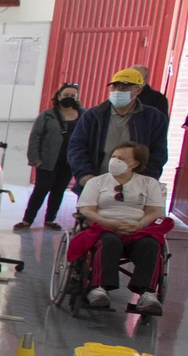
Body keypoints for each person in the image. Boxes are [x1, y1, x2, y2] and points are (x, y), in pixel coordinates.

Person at [73, 140, 169, 314]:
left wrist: (139, 224)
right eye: (114, 156)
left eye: (121, 158)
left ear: (135, 163)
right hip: (103, 226)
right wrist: (109, 223)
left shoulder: (148, 183)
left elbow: (155, 211)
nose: (115, 161)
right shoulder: (97, 182)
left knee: (151, 244)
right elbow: (86, 210)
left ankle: (147, 293)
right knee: (109, 241)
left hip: (137, 229)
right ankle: (99, 288)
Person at [68, 67, 169, 183]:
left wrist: (146, 178)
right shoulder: (93, 115)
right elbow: (76, 146)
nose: (118, 91)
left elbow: (159, 152)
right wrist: (84, 174)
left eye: (125, 87)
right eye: (114, 87)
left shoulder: (153, 118)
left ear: (138, 90)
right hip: (95, 182)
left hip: (134, 185)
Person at [15, 82, 82, 230]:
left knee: (59, 191)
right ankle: (27, 220)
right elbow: (35, 136)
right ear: (59, 96)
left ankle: (50, 219)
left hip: (69, 162)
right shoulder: (47, 115)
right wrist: (34, 158)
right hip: (47, 161)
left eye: (73, 96)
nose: (69, 98)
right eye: (66, 95)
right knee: (40, 190)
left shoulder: (83, 115)